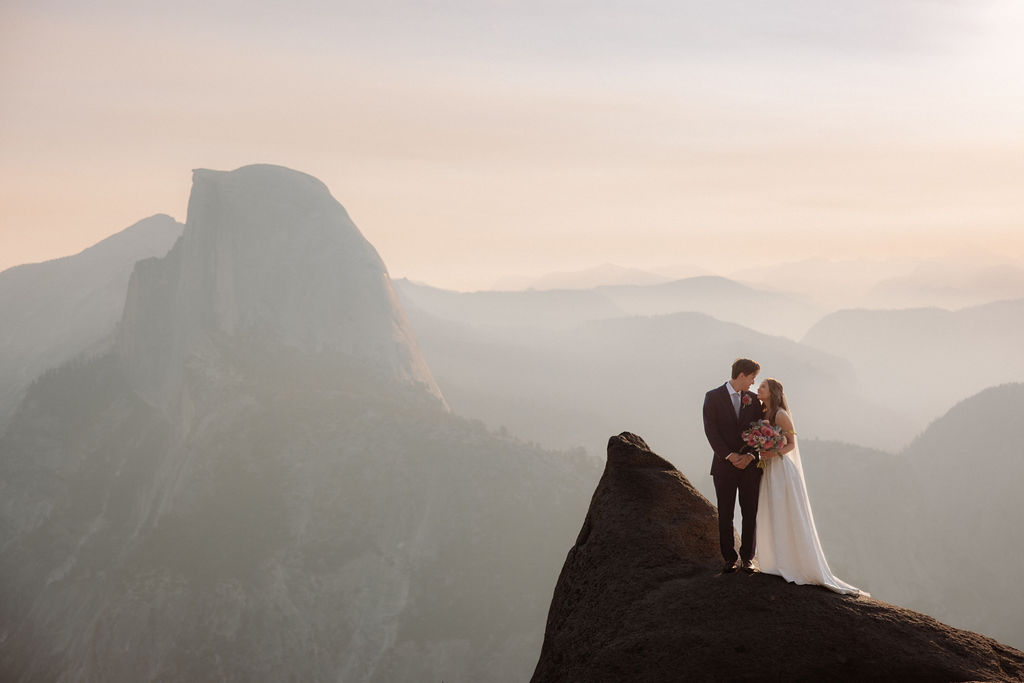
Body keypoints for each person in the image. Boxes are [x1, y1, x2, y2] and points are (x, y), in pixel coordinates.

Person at [754, 378, 867, 596]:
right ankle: (775, 560)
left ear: (772, 392)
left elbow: (791, 444)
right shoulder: (763, 412)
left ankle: (793, 562)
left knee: (785, 511)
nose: (758, 389)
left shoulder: (780, 415)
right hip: (768, 469)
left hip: (781, 469)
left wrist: (771, 452)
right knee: (771, 511)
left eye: (762, 387)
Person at [703, 358, 763, 574]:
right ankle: (729, 558)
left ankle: (748, 558)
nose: (753, 383)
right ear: (741, 376)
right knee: (725, 513)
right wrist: (729, 456)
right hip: (723, 465)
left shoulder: (755, 401)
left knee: (750, 512)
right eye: (752, 378)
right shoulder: (713, 397)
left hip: (749, 466)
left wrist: (749, 456)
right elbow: (711, 431)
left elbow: (761, 431)